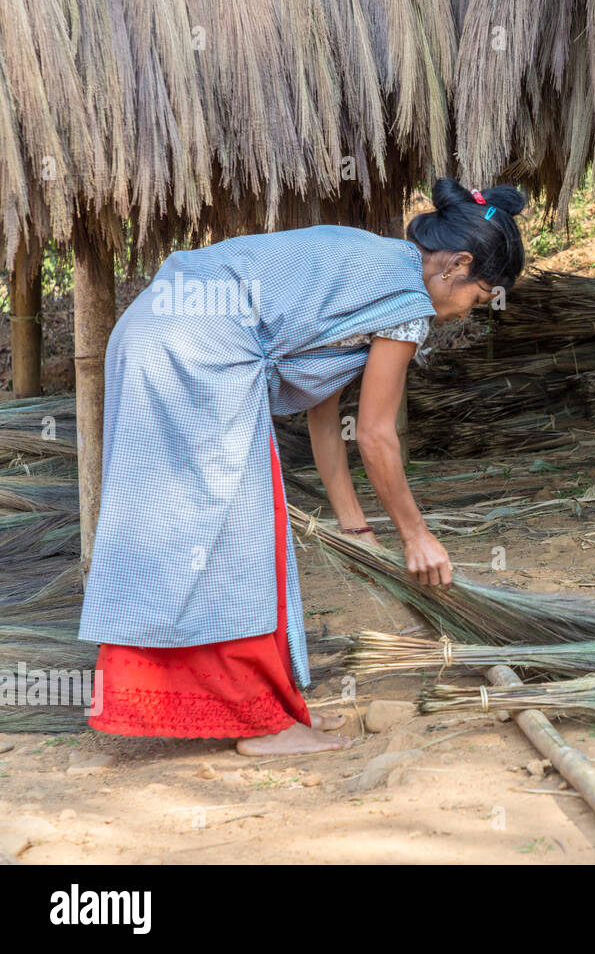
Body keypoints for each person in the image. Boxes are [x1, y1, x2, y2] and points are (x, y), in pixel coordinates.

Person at [77, 179, 527, 755]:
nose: (466, 313)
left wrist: (356, 525)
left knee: (189, 533)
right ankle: (262, 725)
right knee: (239, 539)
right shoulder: (411, 299)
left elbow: (326, 414)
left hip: (155, 331)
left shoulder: (373, 265)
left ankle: (268, 708)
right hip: (199, 348)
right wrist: (417, 537)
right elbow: (376, 434)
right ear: (457, 265)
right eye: (479, 296)